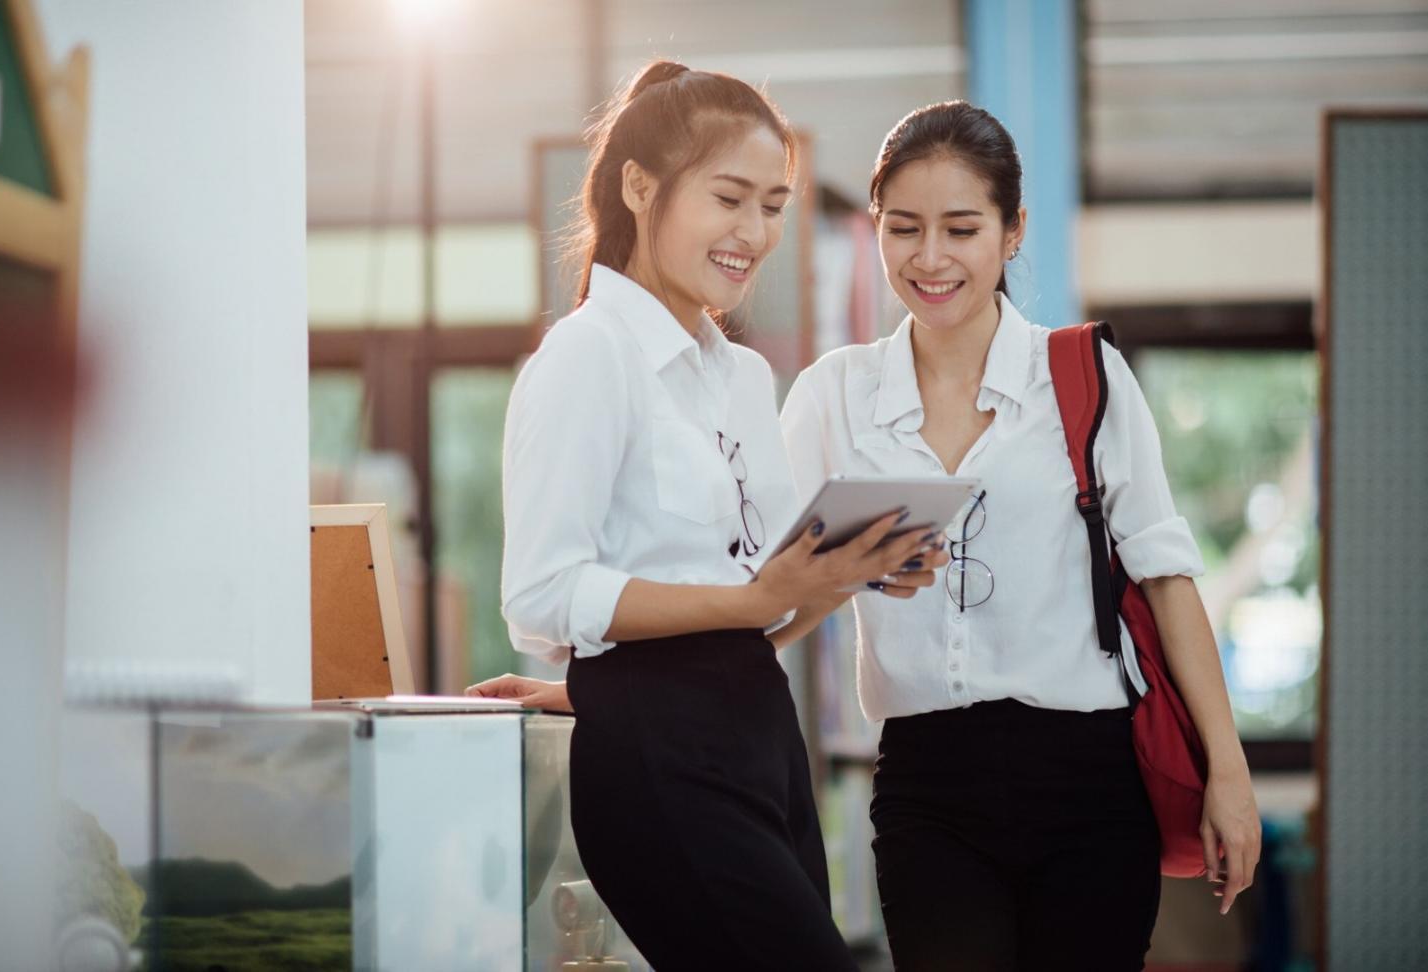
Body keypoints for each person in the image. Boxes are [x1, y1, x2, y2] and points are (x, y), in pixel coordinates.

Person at [471, 61, 943, 971]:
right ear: (639, 188)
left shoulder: (738, 374)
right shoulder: (587, 356)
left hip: (757, 732)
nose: (755, 232)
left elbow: (755, 596)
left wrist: (845, 571)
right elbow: (541, 594)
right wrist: (734, 611)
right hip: (655, 757)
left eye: (773, 205)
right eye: (730, 198)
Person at [776, 100, 1263, 971]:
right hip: (928, 782)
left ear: (1011, 233)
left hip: (1090, 778)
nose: (929, 258)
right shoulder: (831, 396)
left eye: (960, 228)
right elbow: (771, 597)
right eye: (903, 228)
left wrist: (1227, 773)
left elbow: (1164, 575)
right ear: (875, 229)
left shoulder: (1083, 376)